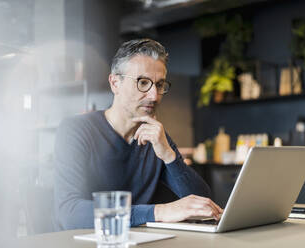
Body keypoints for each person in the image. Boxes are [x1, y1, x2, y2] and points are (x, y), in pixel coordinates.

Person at [54, 38, 223, 230]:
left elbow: (202, 203)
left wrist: (169, 156)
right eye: (143, 82)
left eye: (159, 85)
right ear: (115, 83)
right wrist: (158, 212)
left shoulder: (156, 137)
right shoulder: (76, 130)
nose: (154, 95)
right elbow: (70, 212)